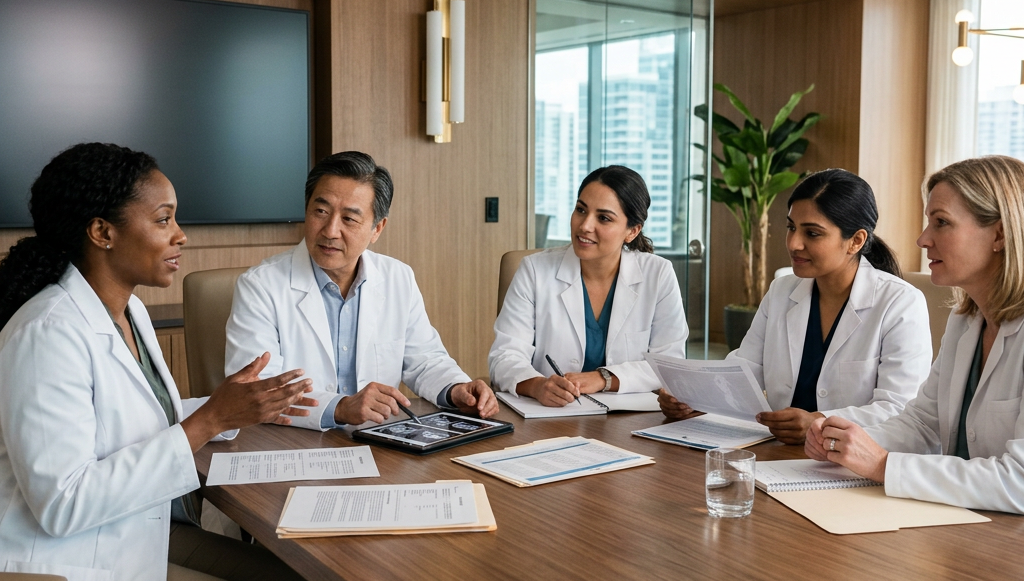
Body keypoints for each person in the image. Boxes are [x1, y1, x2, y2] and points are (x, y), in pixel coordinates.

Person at [0, 143, 328, 581]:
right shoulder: (48, 335)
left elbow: (126, 417)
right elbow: (64, 503)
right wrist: (210, 420)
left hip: (119, 533)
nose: (180, 235)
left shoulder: (128, 311)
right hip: (42, 571)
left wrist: (233, 406)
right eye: (163, 219)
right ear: (103, 232)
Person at [806, 156, 1024, 528]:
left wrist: (882, 464)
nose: (923, 239)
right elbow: (924, 425)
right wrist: (844, 443)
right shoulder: (968, 320)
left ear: (1000, 235)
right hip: (1009, 528)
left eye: (941, 222)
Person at [225, 151, 497, 428]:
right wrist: (340, 408)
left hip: (378, 443)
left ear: (377, 228)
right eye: (321, 211)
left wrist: (456, 389)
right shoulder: (260, 285)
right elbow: (256, 391)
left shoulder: (397, 277)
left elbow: (425, 360)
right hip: (291, 445)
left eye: (349, 219)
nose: (330, 230)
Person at [659, 168, 932, 443]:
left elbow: (901, 409)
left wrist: (819, 422)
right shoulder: (782, 291)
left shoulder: (900, 303)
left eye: (812, 233)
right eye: (791, 227)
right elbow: (744, 370)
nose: (794, 243)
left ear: (856, 241)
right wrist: (691, 396)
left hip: (849, 459)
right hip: (778, 452)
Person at [490, 165, 688, 404]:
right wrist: (538, 386)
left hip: (630, 419)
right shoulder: (534, 270)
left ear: (632, 231)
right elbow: (505, 355)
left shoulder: (658, 274)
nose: (585, 225)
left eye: (603, 218)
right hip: (551, 416)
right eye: (581, 210)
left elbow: (670, 364)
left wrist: (604, 379)